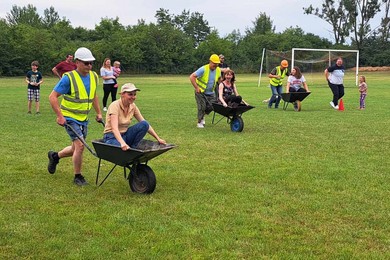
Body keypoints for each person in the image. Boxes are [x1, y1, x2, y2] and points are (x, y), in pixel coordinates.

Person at [48, 47, 103, 186]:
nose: (89, 66)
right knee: (80, 146)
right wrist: (60, 116)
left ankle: (55, 156)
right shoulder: (69, 78)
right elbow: (52, 97)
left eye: (91, 63)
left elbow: (93, 95)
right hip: (70, 118)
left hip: (84, 118)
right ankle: (77, 176)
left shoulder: (94, 76)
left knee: (75, 148)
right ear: (77, 62)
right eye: (86, 63)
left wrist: (98, 113)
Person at [103, 83, 166, 150]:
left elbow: (144, 123)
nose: (133, 97)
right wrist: (122, 143)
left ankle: (133, 148)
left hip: (125, 135)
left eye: (134, 94)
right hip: (112, 137)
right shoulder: (115, 105)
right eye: (130, 94)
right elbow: (114, 128)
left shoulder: (133, 106)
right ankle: (130, 152)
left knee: (144, 124)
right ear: (122, 94)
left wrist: (158, 138)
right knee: (124, 153)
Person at [189, 54, 222, 128]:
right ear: (210, 61)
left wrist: (222, 85)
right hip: (200, 92)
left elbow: (219, 79)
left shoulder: (218, 70)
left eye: (217, 64)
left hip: (211, 92)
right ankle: (199, 122)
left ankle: (202, 115)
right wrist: (197, 88)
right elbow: (192, 77)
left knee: (213, 106)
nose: (216, 65)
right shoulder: (203, 69)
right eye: (214, 63)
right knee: (202, 107)